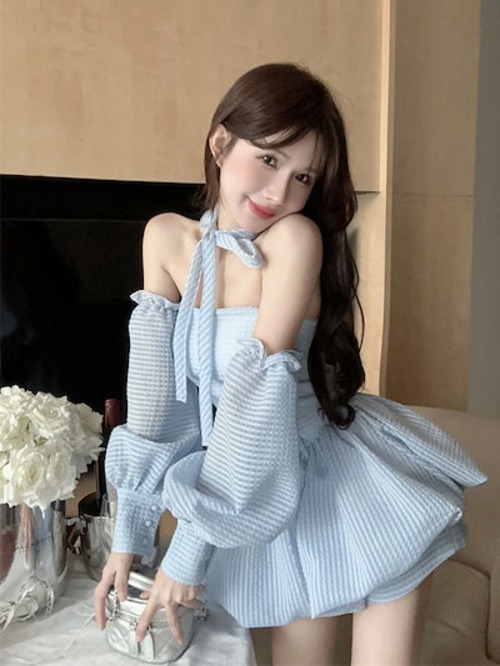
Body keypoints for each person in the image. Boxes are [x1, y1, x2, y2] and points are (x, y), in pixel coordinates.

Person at [94, 63, 486, 665]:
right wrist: (131, 535)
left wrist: (189, 551)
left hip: (338, 483)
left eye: (303, 176)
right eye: (269, 159)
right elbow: (157, 405)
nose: (279, 193)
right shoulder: (165, 238)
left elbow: (251, 409)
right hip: (261, 492)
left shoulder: (295, 240)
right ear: (220, 143)